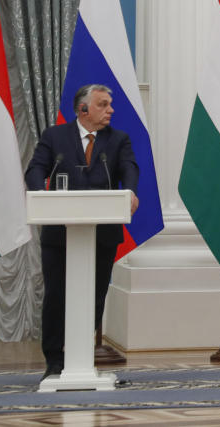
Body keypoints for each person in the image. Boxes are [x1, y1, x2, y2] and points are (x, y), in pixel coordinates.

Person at [25, 84, 139, 380]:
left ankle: (79, 355)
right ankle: (53, 359)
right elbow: (35, 169)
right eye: (103, 104)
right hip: (59, 233)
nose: (111, 110)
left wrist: (129, 192)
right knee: (56, 295)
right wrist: (41, 195)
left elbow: (129, 168)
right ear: (83, 109)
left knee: (95, 295)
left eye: (110, 105)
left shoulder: (118, 140)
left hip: (102, 233)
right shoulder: (55, 136)